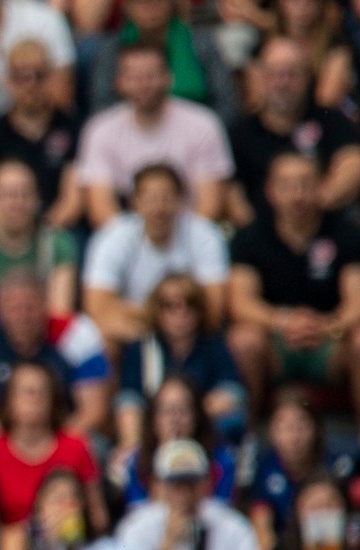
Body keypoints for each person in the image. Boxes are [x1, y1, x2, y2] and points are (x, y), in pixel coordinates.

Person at [227, 152, 360, 439]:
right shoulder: (249, 237)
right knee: (243, 340)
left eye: (305, 184)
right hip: (276, 339)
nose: (297, 195)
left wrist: (328, 326)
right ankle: (244, 441)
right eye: (287, 186)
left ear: (322, 186)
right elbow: (240, 303)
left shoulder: (350, 233)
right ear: (271, 191)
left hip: (332, 339)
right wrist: (283, 321)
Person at [76, 43, 234, 225]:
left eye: (151, 75)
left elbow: (209, 206)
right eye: (134, 77)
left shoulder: (204, 124)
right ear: (119, 82)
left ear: (169, 77)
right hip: (127, 238)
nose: (143, 84)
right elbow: (101, 209)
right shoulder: (99, 129)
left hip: (189, 235)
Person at [82, 164, 231, 346]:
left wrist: (168, 318)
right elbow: (97, 307)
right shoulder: (113, 236)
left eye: (166, 198)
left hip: (193, 332)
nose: (159, 208)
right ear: (134, 202)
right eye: (150, 199)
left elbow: (213, 310)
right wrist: (163, 314)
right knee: (102, 333)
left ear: (181, 200)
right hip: (137, 330)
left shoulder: (205, 235)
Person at [229, 39, 360, 229]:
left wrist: (308, 206)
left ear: (307, 77)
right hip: (263, 237)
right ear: (260, 78)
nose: (283, 83)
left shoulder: (331, 119)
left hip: (327, 229)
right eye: (275, 74)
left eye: (291, 74)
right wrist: (267, 234)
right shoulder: (240, 132)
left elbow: (354, 164)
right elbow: (233, 194)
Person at [0, 268, 110, 437]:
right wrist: (10, 452)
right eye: (15, 308)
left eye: (30, 307)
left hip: (62, 438)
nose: (23, 317)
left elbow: (93, 412)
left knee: (96, 445)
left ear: (46, 304)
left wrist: (51, 450)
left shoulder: (75, 335)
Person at [115, 274, 246, 453]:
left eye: (189, 304)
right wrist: (134, 440)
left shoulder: (213, 344)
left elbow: (233, 391)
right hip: (154, 431)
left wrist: (187, 412)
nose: (180, 313)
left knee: (234, 419)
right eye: (170, 306)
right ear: (157, 311)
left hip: (202, 426)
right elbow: (128, 399)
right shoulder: (141, 348)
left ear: (199, 310)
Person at [0, 361, 107, 534]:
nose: (34, 398)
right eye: (26, 392)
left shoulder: (76, 448)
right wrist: (34, 531)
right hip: (10, 548)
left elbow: (98, 517)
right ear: (9, 401)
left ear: (53, 401)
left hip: (68, 540)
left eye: (42, 392)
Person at [0, 158, 77, 337]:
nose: (17, 203)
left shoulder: (58, 244)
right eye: (9, 195)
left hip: (44, 337)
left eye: (24, 194)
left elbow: (60, 313)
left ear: (37, 199)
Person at [111, 437, 264, 550]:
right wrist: (167, 546)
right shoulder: (137, 527)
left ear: (206, 484)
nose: (184, 493)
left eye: (191, 483)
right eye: (176, 484)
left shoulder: (231, 525)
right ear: (159, 486)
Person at [0, 41, 81, 231]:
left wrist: (43, 234)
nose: (30, 85)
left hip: (58, 230)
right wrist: (16, 238)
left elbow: (72, 201)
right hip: (5, 232)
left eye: (38, 76)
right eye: (20, 77)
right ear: (7, 81)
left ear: (52, 79)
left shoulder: (72, 127)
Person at [86, 0, 239, 122]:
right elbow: (101, 106)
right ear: (127, 5)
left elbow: (227, 105)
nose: (149, 5)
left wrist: (197, 129)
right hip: (129, 139)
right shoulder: (111, 48)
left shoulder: (201, 42)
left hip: (194, 139)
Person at [115, 374, 237, 508]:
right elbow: (137, 517)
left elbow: (223, 513)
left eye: (183, 410)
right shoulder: (137, 463)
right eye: (166, 411)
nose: (174, 419)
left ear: (196, 415)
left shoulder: (222, 460)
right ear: (153, 418)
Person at [238, 391, 327, 550]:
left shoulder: (330, 466)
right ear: (272, 431)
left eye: (300, 427)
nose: (294, 437)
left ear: (316, 429)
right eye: (285, 428)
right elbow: (261, 521)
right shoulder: (264, 468)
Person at [0, 466, 91, 550]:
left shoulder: (94, 547)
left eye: (73, 498)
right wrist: (50, 544)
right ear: (40, 505)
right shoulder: (18, 538)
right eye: (58, 498)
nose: (66, 506)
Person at [271, 0, 354, 115]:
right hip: (277, 122)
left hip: (322, 121)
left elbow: (326, 101)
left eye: (310, 1)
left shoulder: (336, 45)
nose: (302, 5)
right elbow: (257, 101)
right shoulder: (265, 46)